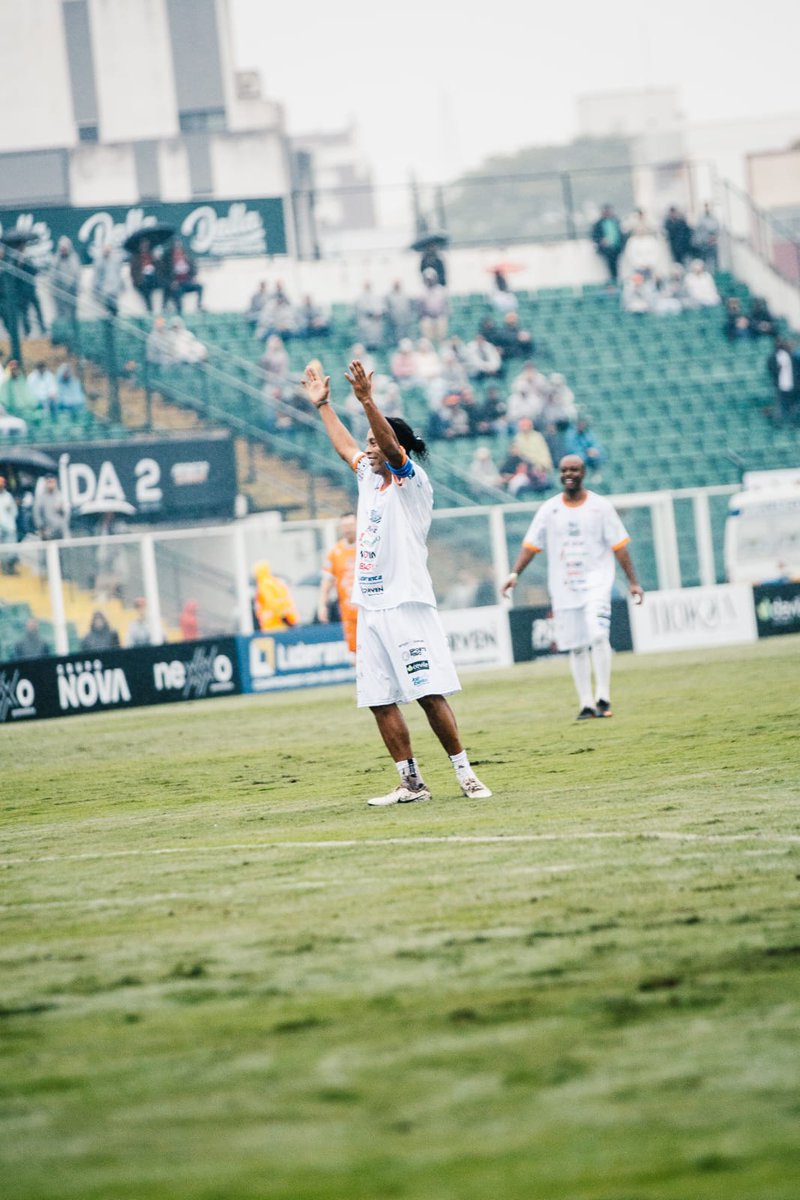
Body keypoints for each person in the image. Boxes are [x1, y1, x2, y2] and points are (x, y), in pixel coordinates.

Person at [302, 359, 492, 806]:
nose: (368, 448)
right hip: (370, 607)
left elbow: (387, 443)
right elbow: (344, 446)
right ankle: (411, 784)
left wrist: (368, 401)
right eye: (368, 441)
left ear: (396, 448)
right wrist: (324, 406)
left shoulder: (413, 484)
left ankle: (466, 775)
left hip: (406, 603)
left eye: (377, 441)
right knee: (379, 700)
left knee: (428, 694)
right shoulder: (369, 478)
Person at [501, 455, 644, 720]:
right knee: (576, 646)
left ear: (584, 472)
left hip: (596, 584)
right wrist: (514, 574)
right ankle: (586, 704)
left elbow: (620, 547)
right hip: (564, 587)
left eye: (575, 469)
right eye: (565, 469)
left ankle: (603, 696)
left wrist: (633, 582)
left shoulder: (601, 507)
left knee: (598, 634)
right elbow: (531, 545)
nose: (569, 474)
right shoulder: (549, 509)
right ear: (559, 473)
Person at [318, 512, 358, 653]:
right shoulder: (335, 552)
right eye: (345, 526)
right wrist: (322, 605)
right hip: (348, 611)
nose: (348, 529)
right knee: (355, 655)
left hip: (369, 609)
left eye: (351, 525)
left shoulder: (367, 546)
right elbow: (327, 581)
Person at [253, 560, 299, 631]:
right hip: (286, 621)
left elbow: (272, 603)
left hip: (272, 623)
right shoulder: (276, 582)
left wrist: (281, 614)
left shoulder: (264, 585)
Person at [49, 236, 82, 325]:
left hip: (71, 290)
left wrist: (77, 287)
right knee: (61, 314)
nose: (64, 249)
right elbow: (52, 274)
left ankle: (75, 332)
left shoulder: (74, 257)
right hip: (60, 291)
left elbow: (77, 273)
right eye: (62, 247)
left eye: (65, 247)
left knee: (73, 313)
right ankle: (64, 334)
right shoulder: (56, 259)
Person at [165, 237, 203, 313]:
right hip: (177, 283)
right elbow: (166, 273)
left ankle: (199, 306)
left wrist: (193, 277)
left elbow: (192, 268)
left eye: (179, 245)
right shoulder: (169, 258)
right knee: (177, 292)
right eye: (176, 245)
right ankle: (180, 311)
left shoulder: (186, 256)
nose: (177, 247)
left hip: (187, 281)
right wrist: (171, 282)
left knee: (199, 286)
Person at [591, 204, 625, 284]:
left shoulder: (616, 221)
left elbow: (621, 234)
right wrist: (602, 241)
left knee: (616, 266)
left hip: (616, 249)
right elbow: (594, 236)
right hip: (606, 250)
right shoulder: (599, 224)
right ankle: (613, 282)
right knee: (610, 267)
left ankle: (616, 281)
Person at [33, 473, 69, 540]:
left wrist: (61, 509)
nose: (51, 484)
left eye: (53, 482)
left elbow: (66, 513)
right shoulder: (41, 498)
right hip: (48, 532)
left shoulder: (59, 496)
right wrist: (41, 529)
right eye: (49, 482)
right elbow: (37, 514)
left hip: (60, 531)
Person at [0, 474, 19, 571]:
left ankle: (10, 568)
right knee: (2, 549)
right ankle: (3, 567)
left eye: (2, 483)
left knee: (11, 548)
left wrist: (10, 509)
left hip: (9, 526)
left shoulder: (8, 497)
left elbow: (15, 512)